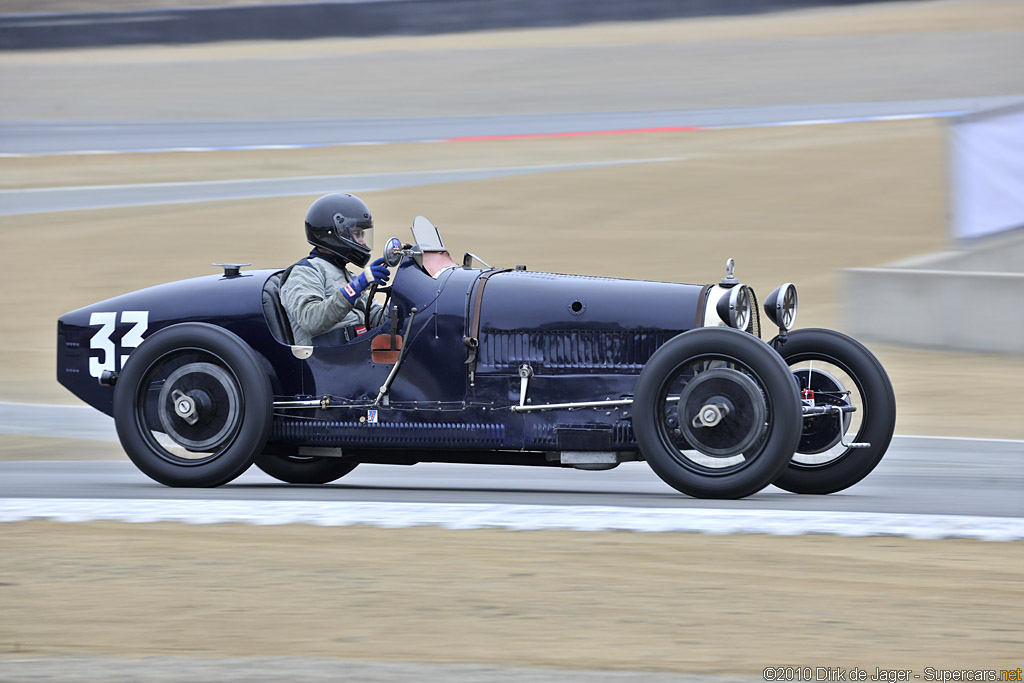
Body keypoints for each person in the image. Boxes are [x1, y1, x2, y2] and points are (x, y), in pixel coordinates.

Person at [281, 193, 391, 346]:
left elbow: (377, 318)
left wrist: (403, 295)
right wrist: (356, 287)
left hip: (360, 353)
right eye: (357, 234)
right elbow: (311, 321)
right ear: (335, 233)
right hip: (329, 361)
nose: (363, 242)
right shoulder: (304, 272)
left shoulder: (348, 276)